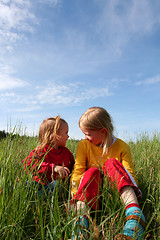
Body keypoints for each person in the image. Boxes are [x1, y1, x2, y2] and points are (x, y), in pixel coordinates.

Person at [70, 107, 146, 239]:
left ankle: (135, 214)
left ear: (103, 131)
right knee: (91, 172)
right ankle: (80, 222)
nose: (85, 137)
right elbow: (78, 171)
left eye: (87, 134)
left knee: (112, 164)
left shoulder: (122, 146)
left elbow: (129, 174)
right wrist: (74, 194)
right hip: (90, 196)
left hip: (118, 195)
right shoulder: (84, 145)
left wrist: (134, 191)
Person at [23, 116, 75, 199]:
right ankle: (8, 191)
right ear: (54, 135)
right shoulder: (41, 150)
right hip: (39, 184)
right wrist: (53, 168)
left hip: (56, 187)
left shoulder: (66, 152)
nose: (68, 136)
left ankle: (35, 199)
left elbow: (74, 166)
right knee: (28, 184)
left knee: (57, 184)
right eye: (66, 133)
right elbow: (28, 164)